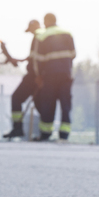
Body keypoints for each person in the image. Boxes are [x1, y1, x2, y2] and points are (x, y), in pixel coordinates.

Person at [33, 13, 76, 141]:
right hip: (65, 75)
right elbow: (73, 54)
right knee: (65, 104)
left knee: (48, 104)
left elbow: (38, 60)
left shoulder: (42, 36)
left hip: (50, 76)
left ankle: (46, 133)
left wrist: (39, 76)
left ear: (46, 21)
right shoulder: (68, 33)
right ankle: (64, 134)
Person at [3, 19, 41, 139]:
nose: (30, 33)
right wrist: (18, 60)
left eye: (31, 30)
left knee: (16, 98)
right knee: (40, 103)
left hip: (34, 76)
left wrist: (38, 75)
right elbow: (32, 57)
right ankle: (42, 132)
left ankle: (18, 128)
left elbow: (36, 59)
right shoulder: (38, 38)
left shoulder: (38, 37)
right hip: (36, 75)